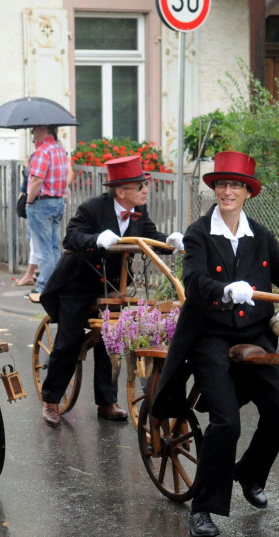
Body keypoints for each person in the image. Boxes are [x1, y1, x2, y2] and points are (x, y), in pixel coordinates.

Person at [151, 151, 279, 537]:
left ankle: (248, 473)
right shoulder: (198, 234)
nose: (227, 191)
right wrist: (225, 290)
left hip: (256, 336)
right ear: (215, 189)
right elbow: (194, 283)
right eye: (221, 185)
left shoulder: (259, 235)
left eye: (236, 185)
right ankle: (203, 508)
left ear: (248, 192)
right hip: (209, 335)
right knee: (226, 422)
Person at [38, 155, 184, 427]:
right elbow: (71, 237)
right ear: (120, 191)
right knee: (69, 341)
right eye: (139, 186)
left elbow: (150, 236)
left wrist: (170, 241)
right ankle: (51, 401)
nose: (145, 190)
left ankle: (107, 402)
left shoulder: (139, 212)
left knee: (110, 340)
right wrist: (96, 240)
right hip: (77, 284)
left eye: (144, 185)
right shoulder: (92, 208)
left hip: (112, 287)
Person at [25, 125, 69, 295]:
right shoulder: (59, 150)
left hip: (41, 203)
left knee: (43, 249)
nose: (33, 132)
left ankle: (44, 287)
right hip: (57, 202)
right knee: (52, 248)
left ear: (44, 129)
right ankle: (56, 284)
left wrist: (29, 201)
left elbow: (37, 180)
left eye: (34, 129)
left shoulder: (43, 151)